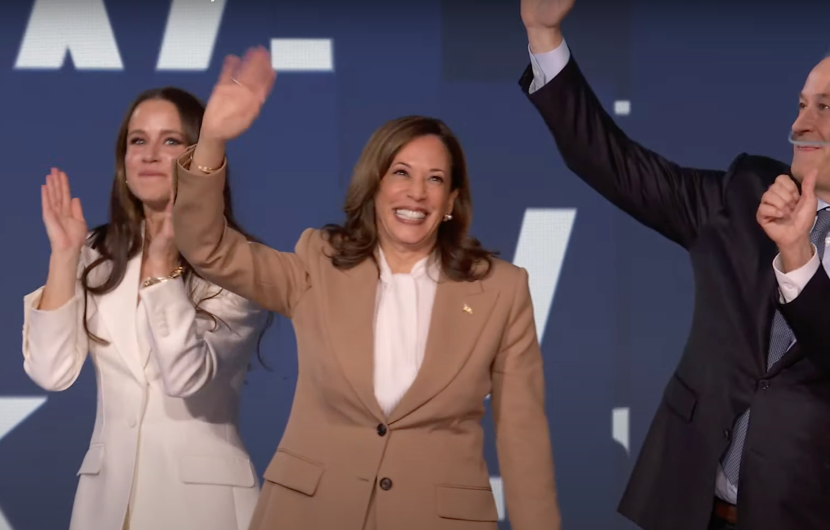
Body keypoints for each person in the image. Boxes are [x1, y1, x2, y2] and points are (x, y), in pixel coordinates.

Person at [170, 46, 561, 530]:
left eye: (434, 179)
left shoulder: (502, 290)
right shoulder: (319, 261)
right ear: (374, 185)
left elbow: (523, 436)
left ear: (451, 203)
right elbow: (207, 248)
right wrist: (210, 140)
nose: (415, 193)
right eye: (400, 173)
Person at [519, 1, 830, 530]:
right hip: (689, 504)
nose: (800, 123)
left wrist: (797, 253)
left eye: (825, 107)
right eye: (800, 104)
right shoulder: (743, 193)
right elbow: (613, 164)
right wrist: (542, 33)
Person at [21, 86, 271, 530]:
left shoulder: (240, 261)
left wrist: (160, 269)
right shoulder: (96, 254)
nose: (150, 154)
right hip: (107, 506)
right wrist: (64, 255)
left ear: (200, 157)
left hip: (202, 507)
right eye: (138, 141)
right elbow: (51, 371)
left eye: (170, 141)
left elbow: (186, 378)